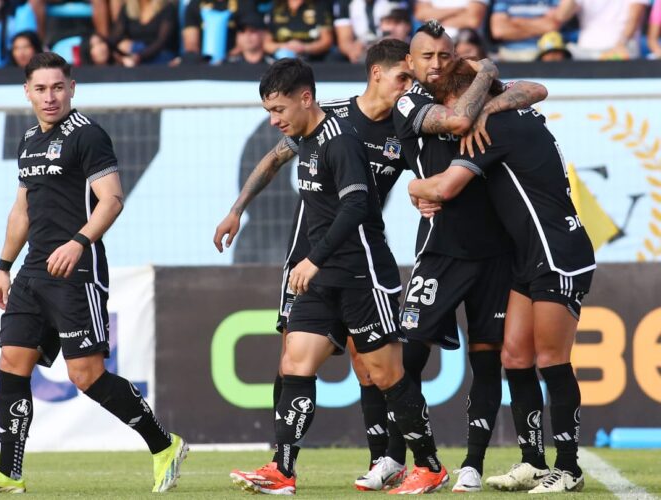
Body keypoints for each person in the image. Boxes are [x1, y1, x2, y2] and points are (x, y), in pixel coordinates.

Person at [0, 52, 187, 495]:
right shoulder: (28, 140)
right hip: (32, 273)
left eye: (57, 87)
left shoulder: (87, 135)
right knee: (11, 362)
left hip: (77, 271)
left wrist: (78, 242)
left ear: (72, 88)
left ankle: (164, 445)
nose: (50, 97)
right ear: (27, 92)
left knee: (86, 376)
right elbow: (22, 210)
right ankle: (9, 472)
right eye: (40, 89)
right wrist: (4, 266)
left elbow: (112, 199)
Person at [223, 57, 448, 496]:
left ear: (306, 99)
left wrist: (315, 259)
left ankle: (430, 465)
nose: (274, 121)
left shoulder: (338, 142)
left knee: (386, 376)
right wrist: (237, 211)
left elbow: (357, 206)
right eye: (269, 112)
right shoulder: (304, 138)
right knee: (294, 362)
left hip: (361, 274)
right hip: (321, 278)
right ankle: (283, 471)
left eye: (279, 110)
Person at [407, 57, 595, 494]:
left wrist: (414, 189)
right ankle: (532, 460)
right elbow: (536, 89)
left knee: (552, 360)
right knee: (514, 357)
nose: (453, 120)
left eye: (454, 106)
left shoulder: (495, 128)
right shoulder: (507, 109)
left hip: (556, 252)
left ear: (465, 99)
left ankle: (568, 468)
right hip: (525, 257)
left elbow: (444, 188)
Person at [391, 19, 548, 493]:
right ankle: (412, 460)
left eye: (444, 55)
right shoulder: (410, 101)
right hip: (439, 250)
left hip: (496, 251)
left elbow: (537, 88)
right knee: (408, 359)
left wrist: (489, 102)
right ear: (410, 62)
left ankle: (474, 463)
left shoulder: (472, 87)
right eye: (427, 57)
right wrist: (485, 78)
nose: (436, 65)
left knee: (489, 361)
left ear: (455, 55)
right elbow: (458, 120)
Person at [553, 0, 649, 60]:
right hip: (585, 51)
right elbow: (561, 16)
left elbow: (635, 18)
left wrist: (619, 46)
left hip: (621, 50)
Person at [333, 0, 410, 63]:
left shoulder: (392, 3)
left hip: (388, 43)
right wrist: (353, 51)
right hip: (362, 46)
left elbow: (399, 30)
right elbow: (344, 40)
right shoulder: (346, 3)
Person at [112, 0, 178, 66]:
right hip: (134, 55)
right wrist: (104, 45)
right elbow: (116, 35)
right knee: (122, 46)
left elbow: (162, 41)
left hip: (160, 54)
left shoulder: (167, 8)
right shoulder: (127, 8)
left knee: (127, 48)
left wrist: (138, 57)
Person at [490, 0, 560, 62]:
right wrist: (540, 26)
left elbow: (552, 26)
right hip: (509, 54)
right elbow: (499, 31)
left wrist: (516, 22)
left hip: (543, 54)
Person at [263, 0, 334, 61]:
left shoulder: (319, 5)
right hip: (281, 59)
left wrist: (304, 48)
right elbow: (267, 45)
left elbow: (327, 41)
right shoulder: (277, 7)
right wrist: (285, 46)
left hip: (312, 59)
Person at [413, 0, 488, 39]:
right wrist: (459, 10)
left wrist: (434, 18)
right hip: (433, 41)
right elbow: (420, 14)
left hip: (464, 43)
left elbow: (473, 21)